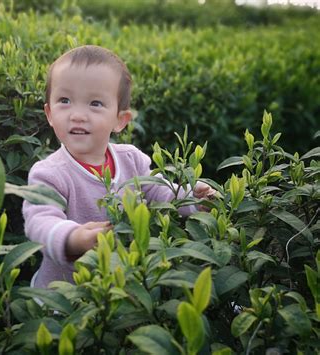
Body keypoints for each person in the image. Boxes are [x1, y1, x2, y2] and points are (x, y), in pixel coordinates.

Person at [22, 45, 215, 288]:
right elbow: (39, 221)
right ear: (49, 113)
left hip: (123, 287)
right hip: (63, 296)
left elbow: (161, 191)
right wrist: (73, 238)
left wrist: (194, 199)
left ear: (120, 120)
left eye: (95, 103)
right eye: (65, 100)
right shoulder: (48, 173)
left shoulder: (131, 160)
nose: (78, 114)